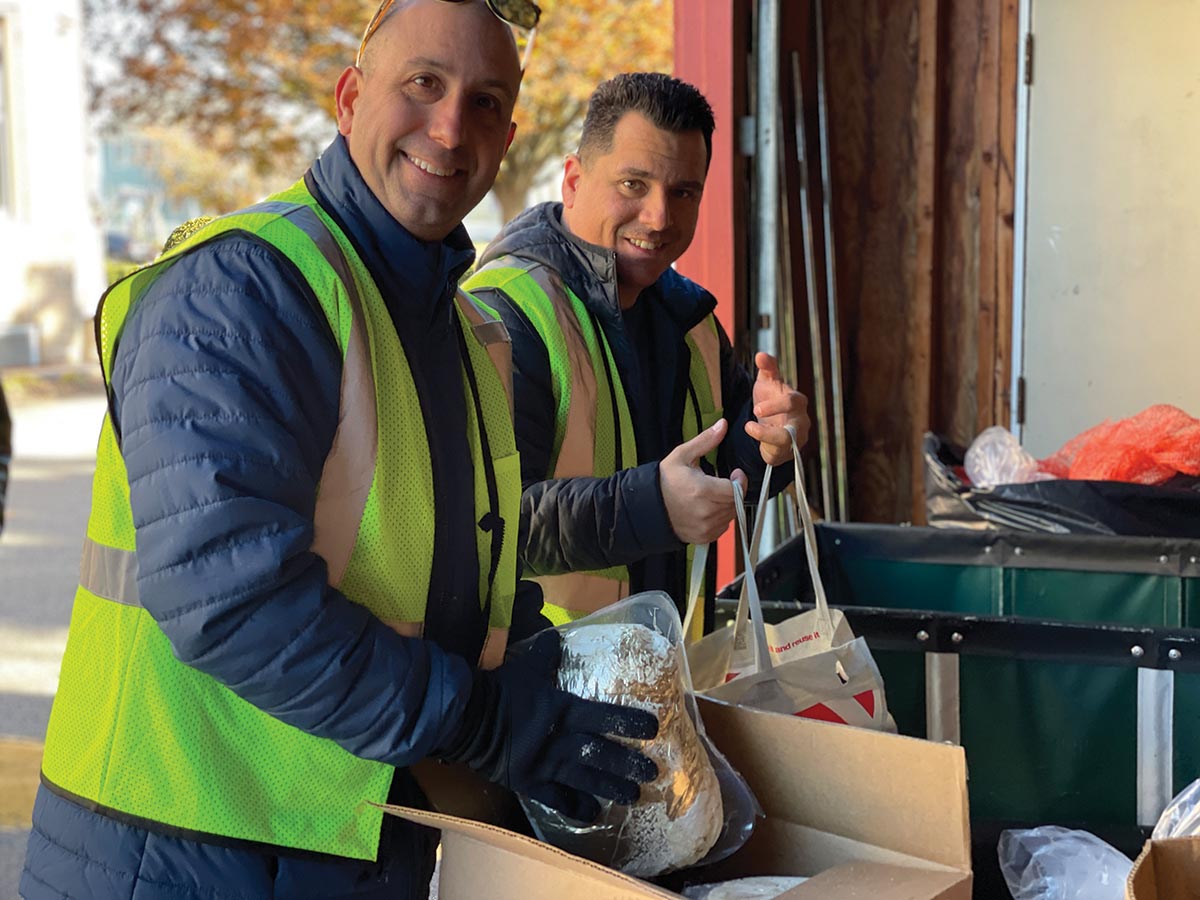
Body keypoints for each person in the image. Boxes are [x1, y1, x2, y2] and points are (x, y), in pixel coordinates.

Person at [21, 3, 659, 898]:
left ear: (509, 137)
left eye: (482, 103)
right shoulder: (244, 289)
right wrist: (485, 722)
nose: (449, 128)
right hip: (176, 854)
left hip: (348, 846)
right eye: (422, 85)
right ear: (350, 96)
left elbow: (456, 568)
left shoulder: (459, 329)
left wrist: (538, 678)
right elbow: (228, 600)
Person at [465, 73, 811, 635]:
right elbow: (487, 526)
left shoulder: (689, 319)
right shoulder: (507, 312)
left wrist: (776, 439)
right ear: (573, 180)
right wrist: (653, 507)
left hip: (663, 679)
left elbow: (730, 475)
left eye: (683, 192)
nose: (659, 218)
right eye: (633, 184)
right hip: (544, 691)